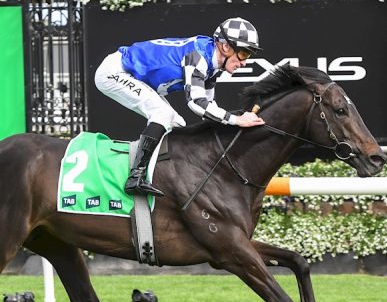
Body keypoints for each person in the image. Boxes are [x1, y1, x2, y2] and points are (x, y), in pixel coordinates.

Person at [94, 17, 266, 197]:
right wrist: (237, 120)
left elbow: (208, 110)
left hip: (132, 74)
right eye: (243, 54)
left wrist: (236, 125)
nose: (244, 62)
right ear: (225, 47)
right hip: (115, 72)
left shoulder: (213, 65)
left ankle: (161, 176)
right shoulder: (198, 57)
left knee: (177, 124)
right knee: (161, 113)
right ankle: (135, 176)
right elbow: (197, 103)